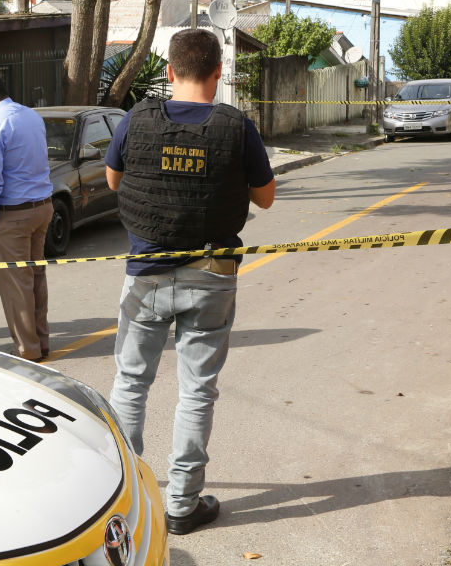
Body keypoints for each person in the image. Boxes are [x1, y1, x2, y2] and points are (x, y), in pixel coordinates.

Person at [104, 28, 276, 536]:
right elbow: (265, 198)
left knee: (130, 384)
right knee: (197, 392)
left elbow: (114, 180)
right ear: (219, 72)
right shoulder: (237, 126)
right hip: (211, 276)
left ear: (169, 71)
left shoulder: (136, 120)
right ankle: (182, 504)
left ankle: (125, 501)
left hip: (146, 275)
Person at [0, 71, 53, 361]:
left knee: (16, 283)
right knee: (35, 277)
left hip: (13, 213)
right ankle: (41, 341)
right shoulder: (31, 115)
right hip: (42, 206)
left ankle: (27, 349)